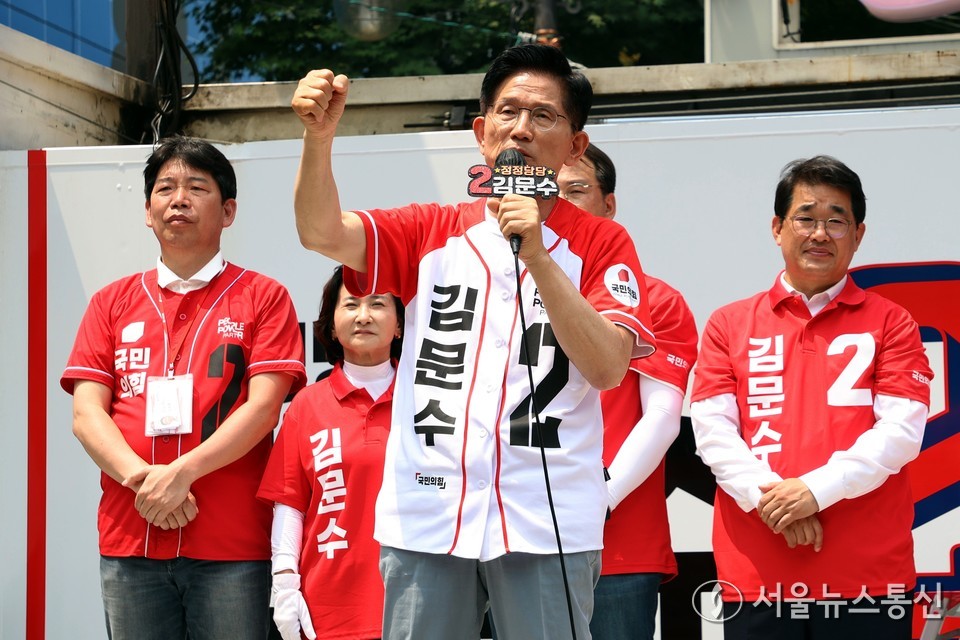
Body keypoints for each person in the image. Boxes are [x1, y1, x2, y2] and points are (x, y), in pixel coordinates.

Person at [290, 43, 657, 639]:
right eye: (508, 113)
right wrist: (317, 139)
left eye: (544, 116)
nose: (522, 128)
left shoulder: (602, 244)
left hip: (546, 520)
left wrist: (537, 253)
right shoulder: (431, 229)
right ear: (482, 132)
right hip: (430, 515)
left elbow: (610, 366)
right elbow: (319, 232)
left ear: (575, 146)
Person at [61, 136, 307, 640]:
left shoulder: (264, 297)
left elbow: (264, 409)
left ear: (229, 211)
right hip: (130, 537)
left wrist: (183, 474)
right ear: (148, 213)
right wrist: (143, 481)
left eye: (197, 187)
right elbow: (87, 415)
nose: (179, 199)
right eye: (165, 189)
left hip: (231, 542)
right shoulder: (111, 302)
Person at [690, 155, 933, 638]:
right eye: (806, 218)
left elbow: (902, 432)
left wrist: (815, 491)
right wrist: (776, 505)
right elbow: (712, 433)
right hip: (757, 576)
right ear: (778, 228)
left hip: (867, 579)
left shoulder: (893, 322)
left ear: (858, 234)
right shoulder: (729, 324)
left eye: (836, 220)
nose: (820, 233)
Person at [557, 144, 698, 640]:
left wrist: (602, 496)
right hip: (516, 537)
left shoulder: (655, 298)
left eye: (577, 190)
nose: (562, 203)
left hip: (616, 543)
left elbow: (662, 416)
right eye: (549, 192)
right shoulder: (503, 292)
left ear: (609, 205)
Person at [258, 266, 404, 640]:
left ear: (400, 324)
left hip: (415, 598)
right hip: (329, 608)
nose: (364, 315)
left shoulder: (426, 399)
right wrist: (285, 582)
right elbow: (289, 504)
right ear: (332, 325)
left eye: (377, 304)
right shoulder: (307, 406)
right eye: (351, 304)